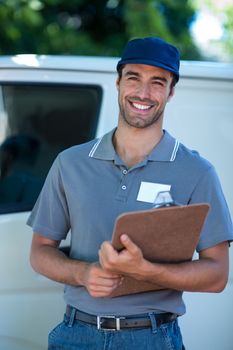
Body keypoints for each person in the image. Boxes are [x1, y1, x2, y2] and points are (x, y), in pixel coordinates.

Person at [28, 37, 233, 350]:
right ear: (119, 82)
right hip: (75, 334)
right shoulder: (70, 163)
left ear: (171, 92)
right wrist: (83, 273)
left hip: (152, 337)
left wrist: (147, 271)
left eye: (157, 82)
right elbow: (40, 251)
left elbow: (217, 275)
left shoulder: (197, 172)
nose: (143, 93)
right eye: (134, 77)